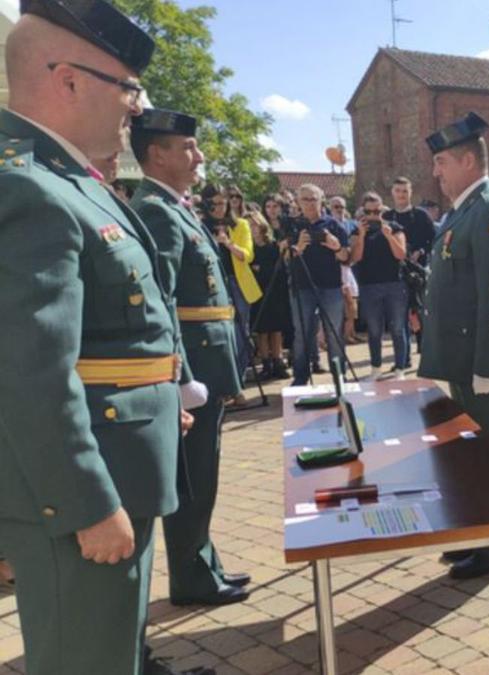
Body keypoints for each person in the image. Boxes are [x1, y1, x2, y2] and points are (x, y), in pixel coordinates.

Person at [0, 3, 210, 673]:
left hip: (122, 472)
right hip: (90, 498)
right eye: (126, 86)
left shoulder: (69, 181)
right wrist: (87, 501)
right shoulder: (27, 187)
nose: (135, 106)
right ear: (66, 79)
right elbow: (29, 368)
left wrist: (159, 390)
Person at [130, 108, 252, 608]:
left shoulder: (175, 206)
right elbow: (160, 298)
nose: (198, 156)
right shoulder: (156, 210)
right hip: (192, 369)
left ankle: (204, 563)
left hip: (207, 361)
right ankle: (193, 577)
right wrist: (179, 376)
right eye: (187, 147)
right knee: (192, 475)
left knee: (204, 472)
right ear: (157, 153)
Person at [419, 112, 489, 580]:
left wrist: (488, 364)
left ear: (465, 160)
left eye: (441, 162)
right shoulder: (464, 211)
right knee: (472, 454)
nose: (436, 172)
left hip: (481, 363)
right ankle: (481, 536)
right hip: (461, 360)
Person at [200, 185, 262, 406]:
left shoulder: (240, 224)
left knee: (239, 332)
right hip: (212, 284)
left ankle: (237, 384)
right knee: (220, 334)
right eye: (214, 203)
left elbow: (247, 255)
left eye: (222, 203)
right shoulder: (199, 225)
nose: (219, 208)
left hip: (237, 284)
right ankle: (224, 385)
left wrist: (228, 243)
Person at [288, 183, 351, 386]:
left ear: (321, 200)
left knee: (334, 334)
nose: (309, 203)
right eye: (305, 199)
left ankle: (339, 377)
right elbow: (283, 257)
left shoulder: (334, 225)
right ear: (298, 201)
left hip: (330, 287)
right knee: (302, 335)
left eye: (313, 198)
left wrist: (336, 246)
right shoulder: (292, 225)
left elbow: (346, 257)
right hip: (302, 287)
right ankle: (300, 377)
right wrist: (297, 247)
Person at [350, 191, 410, 379]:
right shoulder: (357, 230)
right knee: (374, 330)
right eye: (369, 212)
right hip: (369, 286)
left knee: (398, 328)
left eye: (377, 211)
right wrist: (360, 236)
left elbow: (401, 255)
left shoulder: (394, 227)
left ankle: (400, 369)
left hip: (395, 284)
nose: (374, 216)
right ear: (363, 212)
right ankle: (376, 368)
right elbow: (355, 257)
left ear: (382, 209)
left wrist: (389, 236)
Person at [383, 176, 436, 368]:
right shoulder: (387, 217)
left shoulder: (421, 216)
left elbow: (433, 239)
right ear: (392, 193)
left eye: (405, 191)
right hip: (395, 273)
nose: (401, 195)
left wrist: (420, 251)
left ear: (410, 193)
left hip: (417, 273)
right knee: (400, 317)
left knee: (420, 312)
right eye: (398, 191)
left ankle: (425, 353)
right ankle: (403, 359)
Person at [248, 209, 291, 379]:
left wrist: (262, 268)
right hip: (257, 291)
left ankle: (278, 360)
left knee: (276, 329)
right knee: (262, 330)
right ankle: (265, 363)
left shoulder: (273, 245)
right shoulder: (249, 247)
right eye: (249, 225)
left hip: (274, 290)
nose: (252, 228)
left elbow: (279, 266)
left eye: (254, 224)